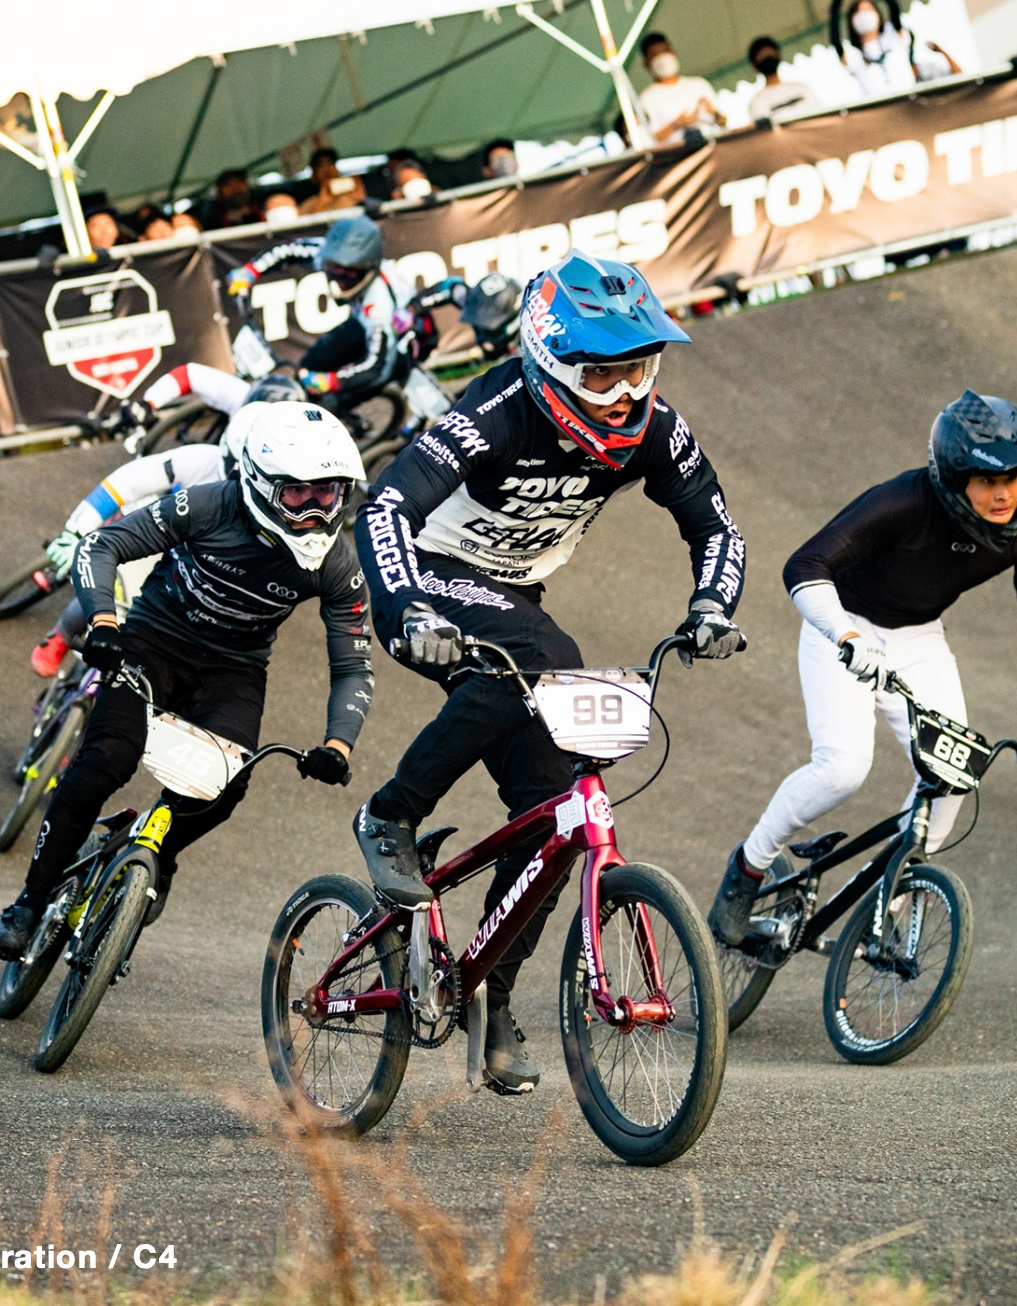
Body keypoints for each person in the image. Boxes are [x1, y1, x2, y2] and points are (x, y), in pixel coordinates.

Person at [352, 251, 747, 1094]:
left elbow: (717, 529)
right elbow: (385, 507)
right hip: (420, 573)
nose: (626, 395)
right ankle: (391, 815)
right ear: (551, 361)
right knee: (547, 662)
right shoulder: (495, 411)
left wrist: (713, 606)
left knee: (553, 811)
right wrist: (410, 608)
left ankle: (489, 991)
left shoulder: (655, 429)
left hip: (510, 595)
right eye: (601, 376)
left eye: (639, 369)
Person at [0, 402, 373, 957]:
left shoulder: (337, 563)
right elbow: (105, 544)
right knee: (103, 763)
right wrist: (100, 619)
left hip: (233, 671)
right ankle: (29, 901)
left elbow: (354, 665)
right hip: (153, 642)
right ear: (263, 485)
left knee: (223, 787)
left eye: (328, 494)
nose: (315, 511)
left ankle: (159, 857)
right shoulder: (211, 504)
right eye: (299, 494)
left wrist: (338, 744)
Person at [709, 391, 1017, 947]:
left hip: (919, 638)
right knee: (843, 769)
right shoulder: (904, 501)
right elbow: (804, 565)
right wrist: (846, 636)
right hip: (843, 627)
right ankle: (748, 868)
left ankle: (883, 909)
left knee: (953, 776)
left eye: (1016, 476)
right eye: (987, 479)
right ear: (953, 476)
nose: (1004, 493)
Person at [26, 372, 308, 677]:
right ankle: (61, 634)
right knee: (109, 594)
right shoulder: (200, 459)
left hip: (202, 565)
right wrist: (76, 531)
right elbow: (125, 483)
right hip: (159, 532)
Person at [224, 215, 427, 413]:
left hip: (401, 345)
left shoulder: (379, 307)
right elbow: (285, 251)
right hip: (362, 324)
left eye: (347, 273)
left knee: (335, 401)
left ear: (368, 269)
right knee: (310, 364)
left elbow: (376, 368)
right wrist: (250, 271)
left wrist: (330, 382)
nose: (338, 277)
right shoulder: (328, 253)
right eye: (332, 268)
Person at [838, 0, 957, 98]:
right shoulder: (853, 54)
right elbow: (837, 43)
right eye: (858, 11)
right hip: (880, 110)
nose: (864, 15)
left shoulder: (893, 38)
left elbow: (895, 12)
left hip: (909, 101)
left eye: (868, 9)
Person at [636, 33, 726, 147]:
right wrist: (676, 124)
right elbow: (646, 141)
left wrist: (714, 113)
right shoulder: (645, 99)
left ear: (674, 52)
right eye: (655, 54)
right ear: (646, 63)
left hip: (712, 148)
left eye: (665, 50)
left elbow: (723, 122)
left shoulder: (699, 84)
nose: (663, 57)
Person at [746, 35, 825, 120]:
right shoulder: (757, 103)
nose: (767, 56)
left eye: (769, 52)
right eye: (762, 55)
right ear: (754, 66)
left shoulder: (802, 88)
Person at [299, 147, 360, 215]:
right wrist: (322, 200)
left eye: (330, 163)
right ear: (314, 174)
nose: (326, 169)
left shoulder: (352, 193)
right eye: (320, 165)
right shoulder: (308, 205)